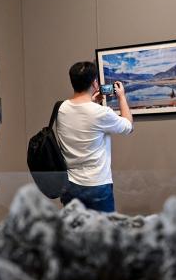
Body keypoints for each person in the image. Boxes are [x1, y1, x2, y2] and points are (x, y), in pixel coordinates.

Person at [55, 61, 133, 213]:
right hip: (97, 185)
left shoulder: (61, 108)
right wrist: (122, 97)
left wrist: (92, 102)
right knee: (102, 228)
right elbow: (128, 126)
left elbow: (82, 115)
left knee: (75, 227)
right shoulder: (101, 112)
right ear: (94, 83)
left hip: (70, 185)